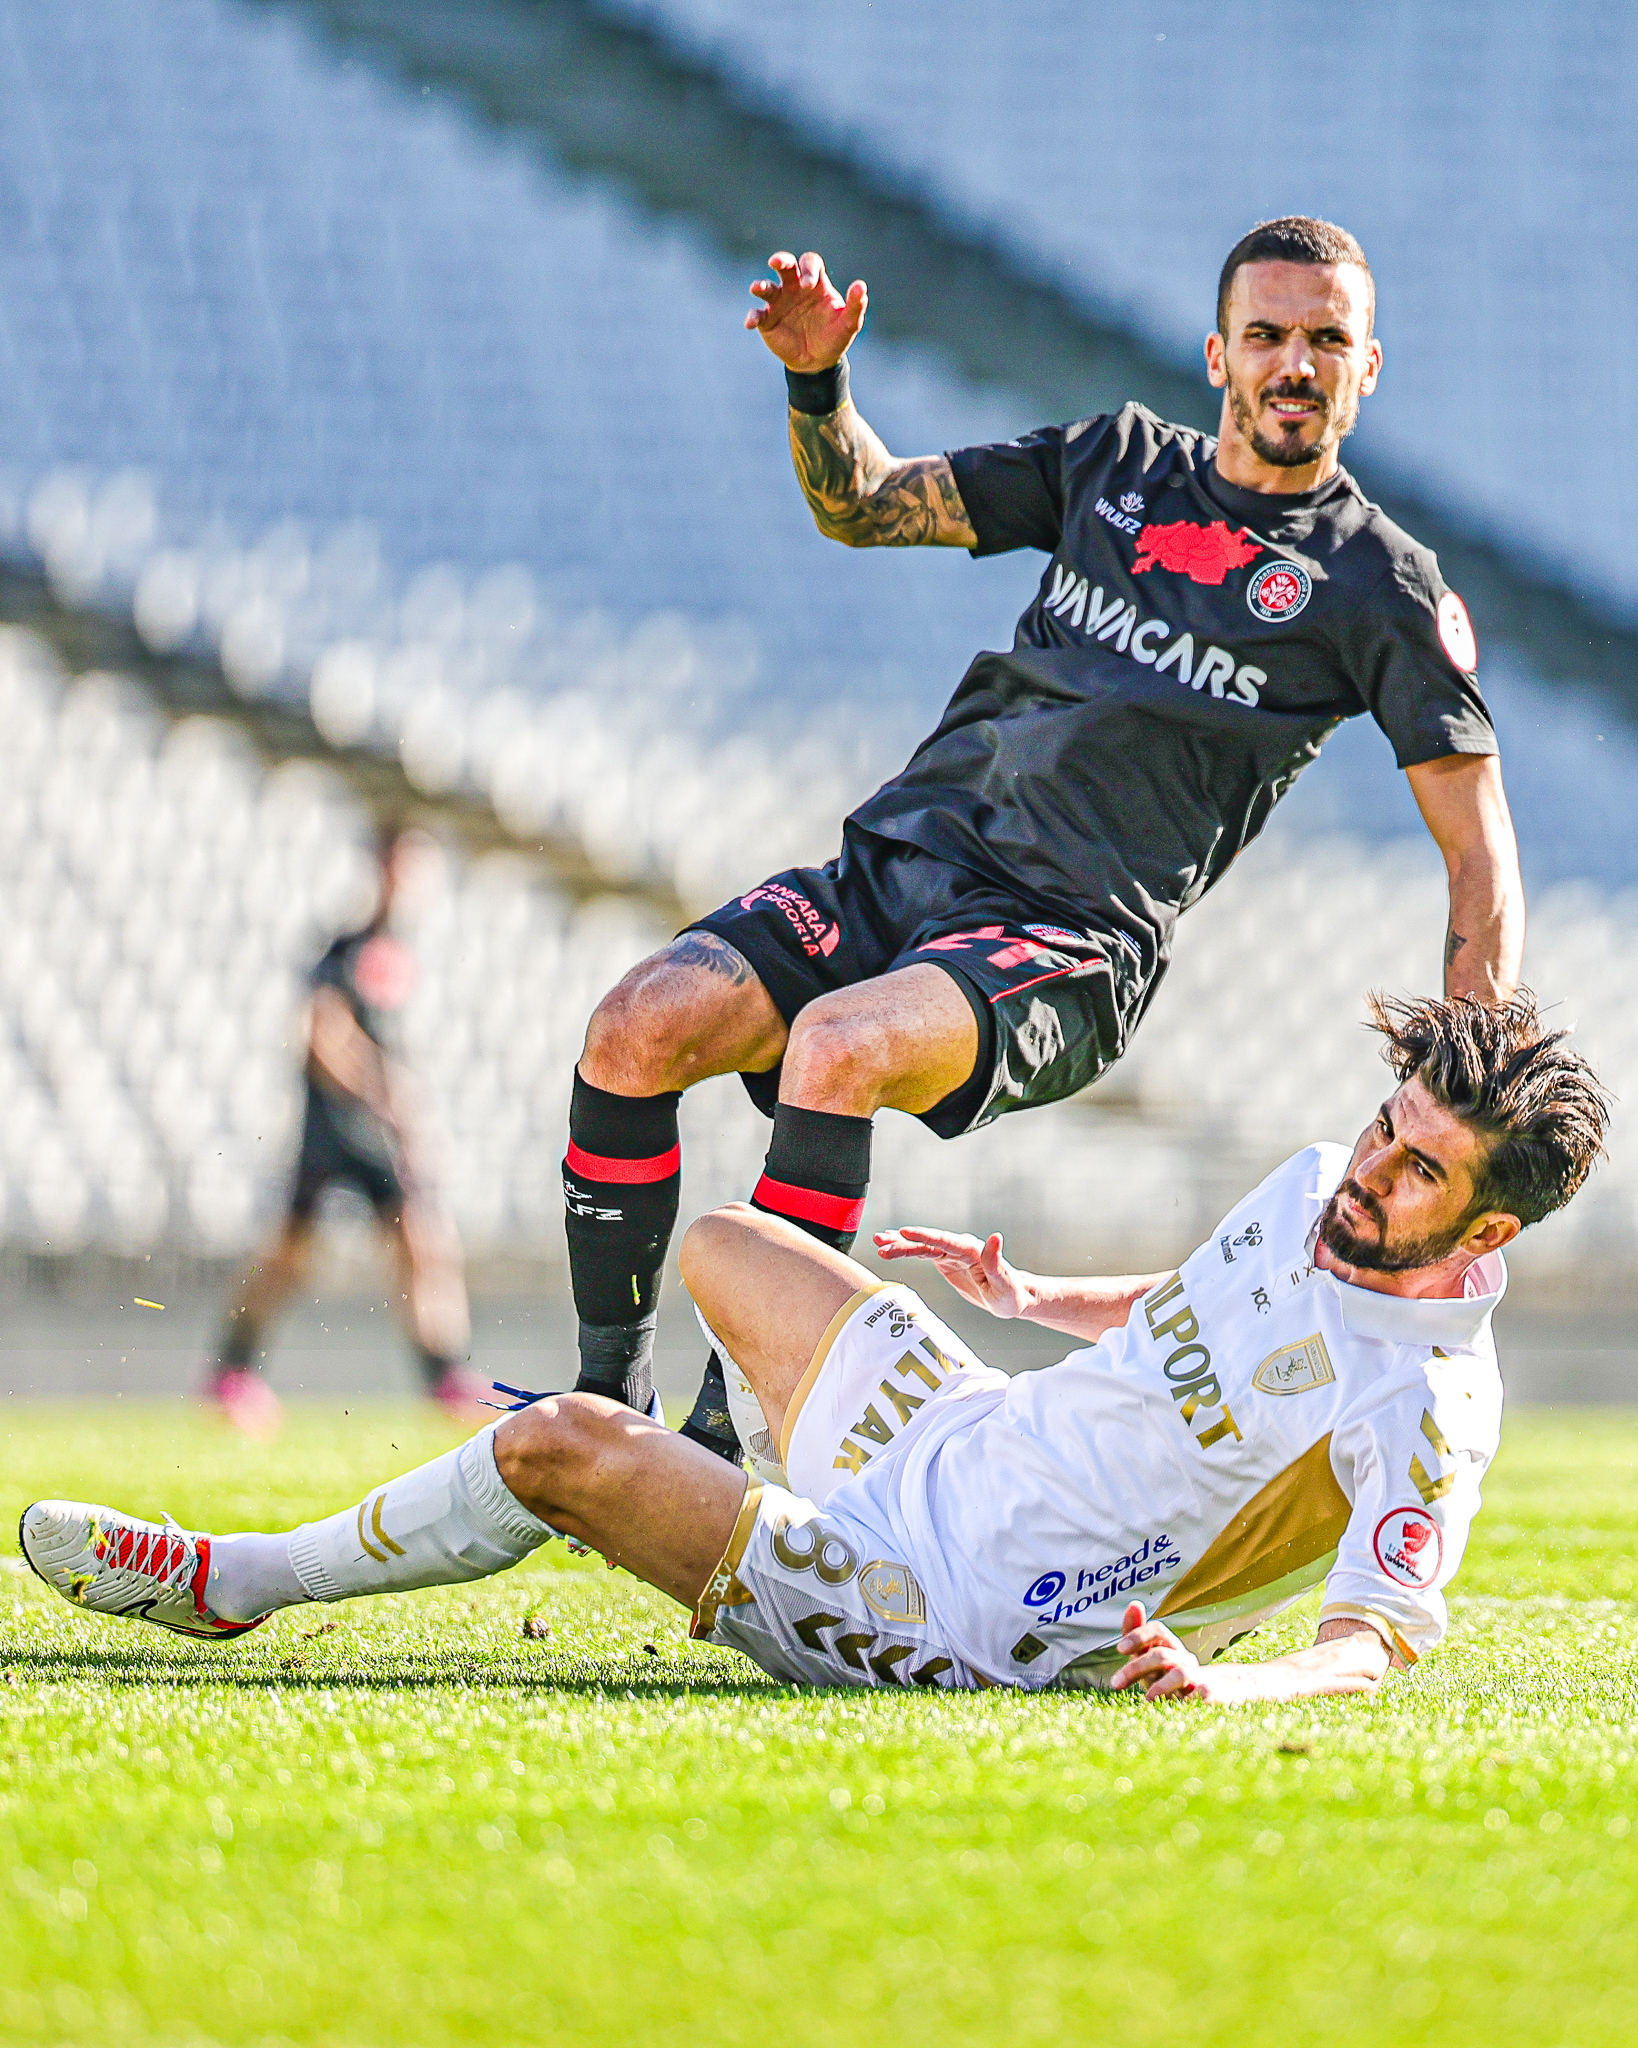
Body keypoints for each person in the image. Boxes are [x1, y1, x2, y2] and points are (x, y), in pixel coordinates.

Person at [560, 216, 1526, 1470]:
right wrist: (817, 378)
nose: (1296, 362)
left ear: (1368, 365)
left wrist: (1470, 1101)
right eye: (1269, 334)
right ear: (1219, 352)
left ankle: (729, 1432)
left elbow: (1479, 852)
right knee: (633, 1026)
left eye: (1327, 340)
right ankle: (597, 1414)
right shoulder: (1113, 462)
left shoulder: (1377, 587)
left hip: (1064, 936)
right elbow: (861, 504)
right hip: (897, 863)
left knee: (836, 1045)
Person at [25, 995, 1605, 1703]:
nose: (1366, 1175)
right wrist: (1035, 1291)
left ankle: (245, 1582)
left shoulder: (1423, 1406)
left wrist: (1222, 1690)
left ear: (1485, 1237)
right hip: (962, 1434)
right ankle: (720, 1506)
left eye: (1414, 1176)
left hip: (958, 1609)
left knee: (558, 1442)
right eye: (1381, 1130)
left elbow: (1379, 1636)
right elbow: (1186, 1310)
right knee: (719, 1247)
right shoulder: (1308, 1193)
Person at [202, 825, 484, 1434]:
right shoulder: (346, 948)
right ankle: (231, 1371)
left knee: (423, 1244)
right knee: (292, 1254)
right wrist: (385, 1095)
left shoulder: (398, 951)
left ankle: (443, 1378)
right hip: (334, 1128)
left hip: (377, 1131)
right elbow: (323, 1037)